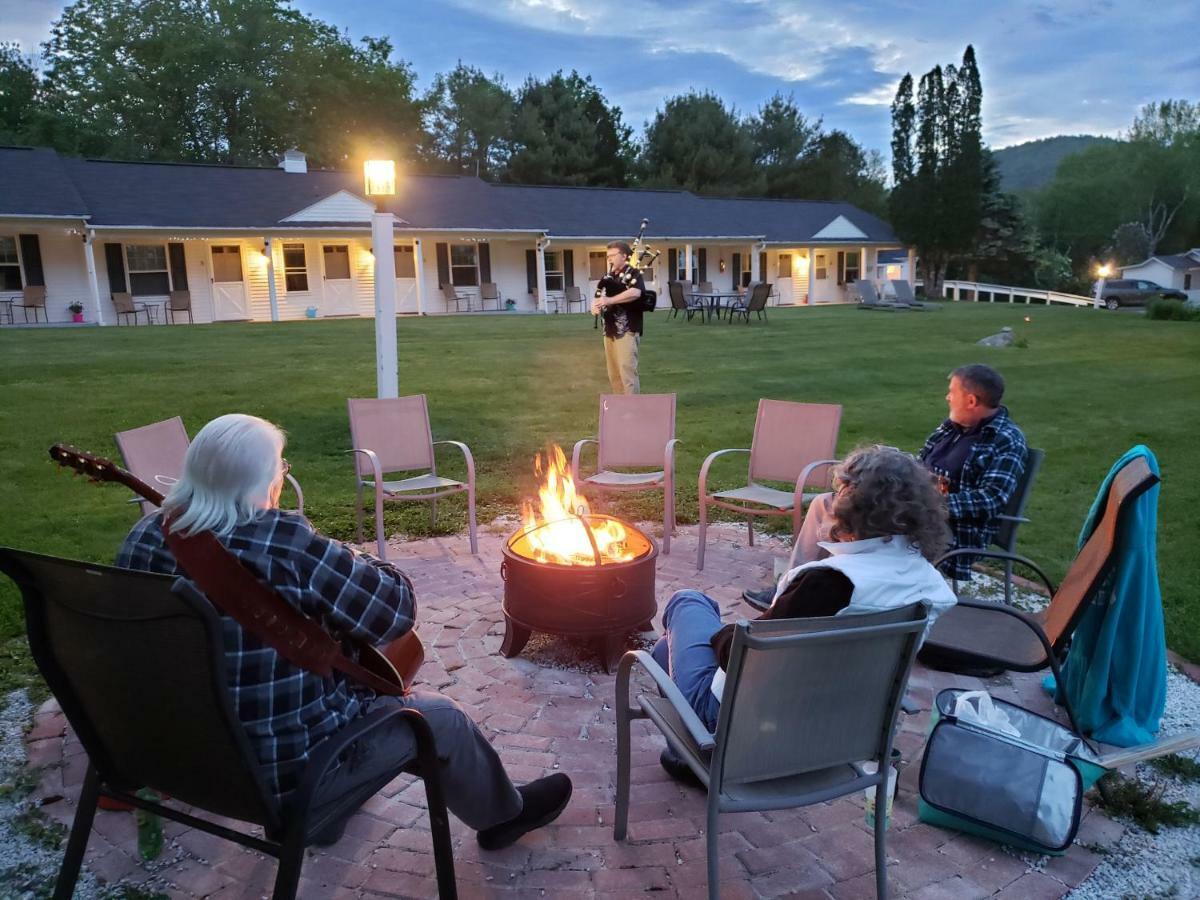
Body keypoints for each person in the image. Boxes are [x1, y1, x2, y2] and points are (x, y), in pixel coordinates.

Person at [115, 414, 571, 850]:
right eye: (280, 468)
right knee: (442, 718)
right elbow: (396, 611)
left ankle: (331, 817)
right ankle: (504, 817)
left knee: (349, 674)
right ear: (263, 482)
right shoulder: (284, 544)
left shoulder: (144, 536)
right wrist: (349, 552)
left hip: (187, 758)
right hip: (291, 777)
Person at [653, 446, 958, 783]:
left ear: (852, 503)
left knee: (689, 603)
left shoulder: (829, 584)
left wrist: (725, 633)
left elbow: (738, 656)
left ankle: (704, 756)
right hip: (834, 731)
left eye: (838, 492)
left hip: (745, 727)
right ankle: (689, 755)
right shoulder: (927, 582)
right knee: (666, 651)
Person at [743, 364, 1028, 607]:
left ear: (972, 401)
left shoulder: (1006, 440)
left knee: (848, 518)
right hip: (909, 512)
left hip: (948, 527)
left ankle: (818, 596)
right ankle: (794, 588)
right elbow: (919, 467)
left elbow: (992, 498)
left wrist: (923, 503)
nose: (947, 398)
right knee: (827, 504)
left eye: (952, 393)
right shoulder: (950, 429)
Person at [592, 240, 645, 394]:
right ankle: (621, 410)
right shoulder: (608, 276)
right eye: (607, 256)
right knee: (613, 374)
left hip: (627, 330)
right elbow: (599, 295)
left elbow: (636, 292)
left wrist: (610, 300)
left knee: (627, 372)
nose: (609, 259)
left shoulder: (633, 273)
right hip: (609, 329)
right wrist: (595, 305)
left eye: (613, 255)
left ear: (623, 256)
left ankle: (633, 409)